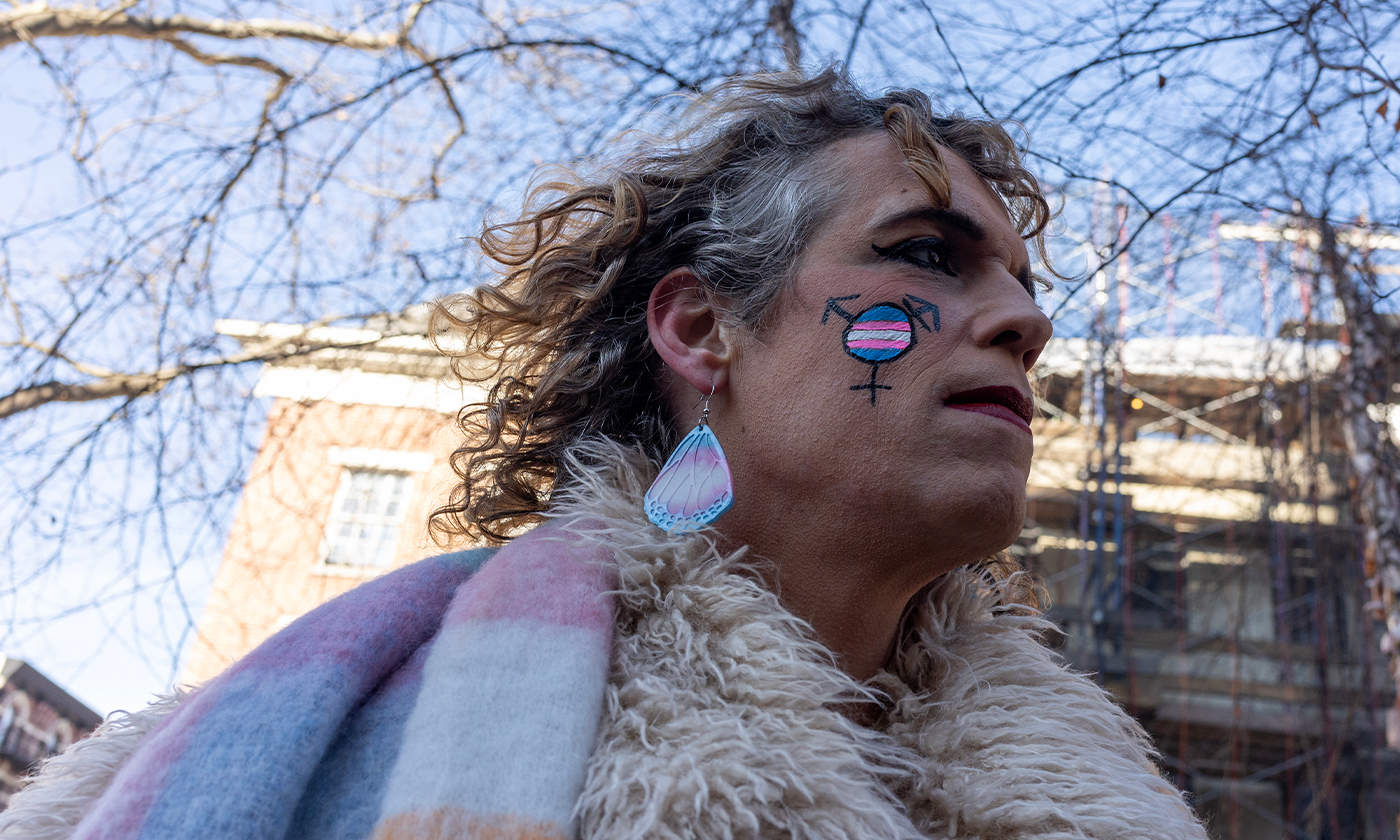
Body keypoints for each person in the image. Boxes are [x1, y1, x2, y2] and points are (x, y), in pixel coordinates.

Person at [1, 70, 1205, 840]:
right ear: (698, 329)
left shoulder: (1104, 800)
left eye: (1017, 282)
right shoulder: (351, 713)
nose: (1026, 322)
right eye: (926, 256)